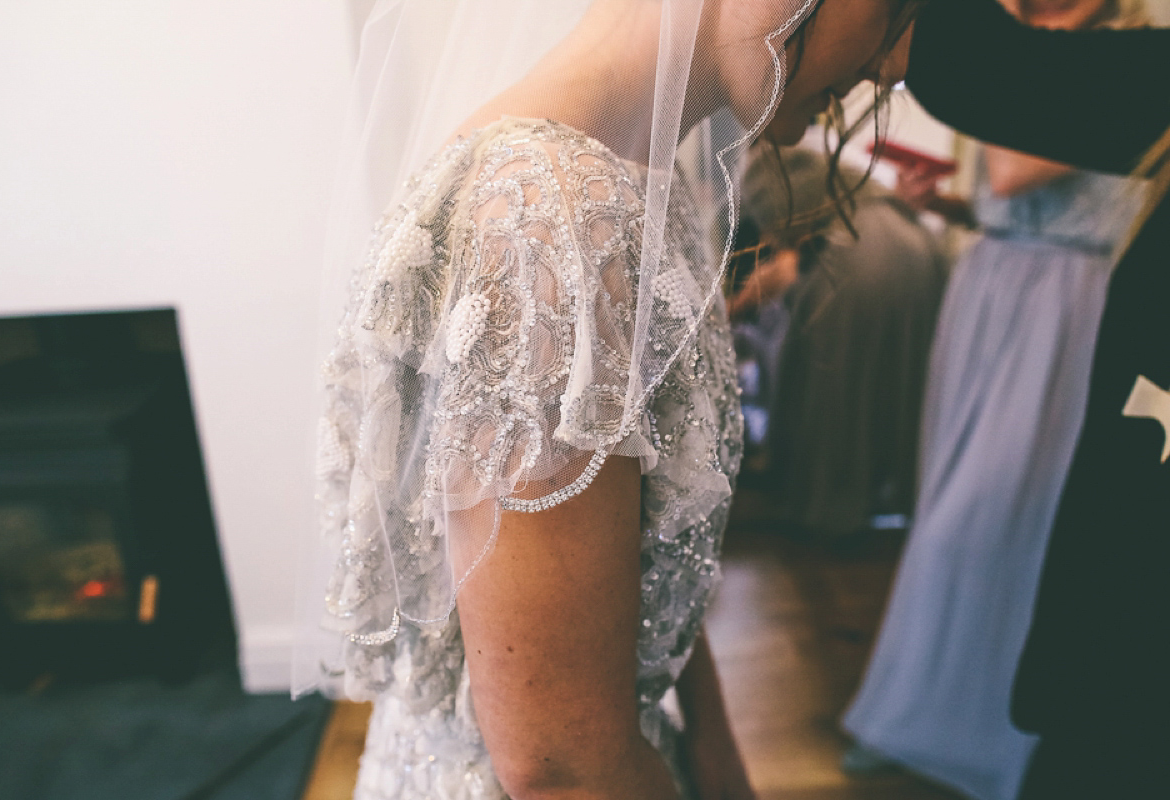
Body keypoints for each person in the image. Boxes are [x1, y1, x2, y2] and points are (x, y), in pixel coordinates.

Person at [293, 1, 922, 798]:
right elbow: (561, 770)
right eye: (898, 5)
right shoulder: (547, 218)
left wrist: (720, 765)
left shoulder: (628, 178)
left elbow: (635, 566)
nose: (897, 60)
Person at [842, 1, 1151, 797]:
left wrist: (1034, 41)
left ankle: (983, 733)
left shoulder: (1111, 63)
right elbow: (1001, 194)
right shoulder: (1066, 70)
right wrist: (946, 205)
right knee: (942, 504)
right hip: (995, 281)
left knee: (995, 515)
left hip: (1061, 302)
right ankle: (911, 710)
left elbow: (1015, 165)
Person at [745, 146, 947, 538]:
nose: (771, 235)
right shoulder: (872, 206)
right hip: (909, 266)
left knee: (834, 393)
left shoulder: (849, 231)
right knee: (896, 394)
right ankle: (884, 495)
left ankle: (827, 508)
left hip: (864, 274)